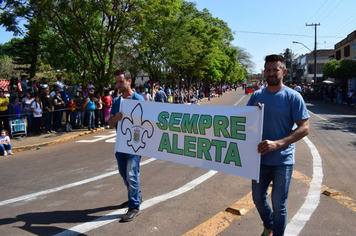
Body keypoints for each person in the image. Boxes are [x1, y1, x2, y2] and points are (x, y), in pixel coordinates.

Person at [247, 54, 310, 236]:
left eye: (276, 69)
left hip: (283, 161)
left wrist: (278, 143)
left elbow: (304, 128)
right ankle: (269, 225)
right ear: (264, 72)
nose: (272, 73)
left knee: (279, 205)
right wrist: (252, 112)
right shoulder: (256, 96)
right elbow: (243, 124)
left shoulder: (293, 97)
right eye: (268, 69)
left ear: (284, 71)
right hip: (259, 160)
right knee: (258, 199)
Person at [108, 69, 144, 222]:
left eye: (121, 81)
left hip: (134, 145)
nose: (118, 85)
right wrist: (115, 118)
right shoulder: (116, 101)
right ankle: (136, 195)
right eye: (116, 82)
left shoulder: (138, 99)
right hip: (120, 144)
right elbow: (110, 124)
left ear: (129, 81)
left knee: (131, 174)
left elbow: (146, 123)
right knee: (124, 174)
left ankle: (134, 206)